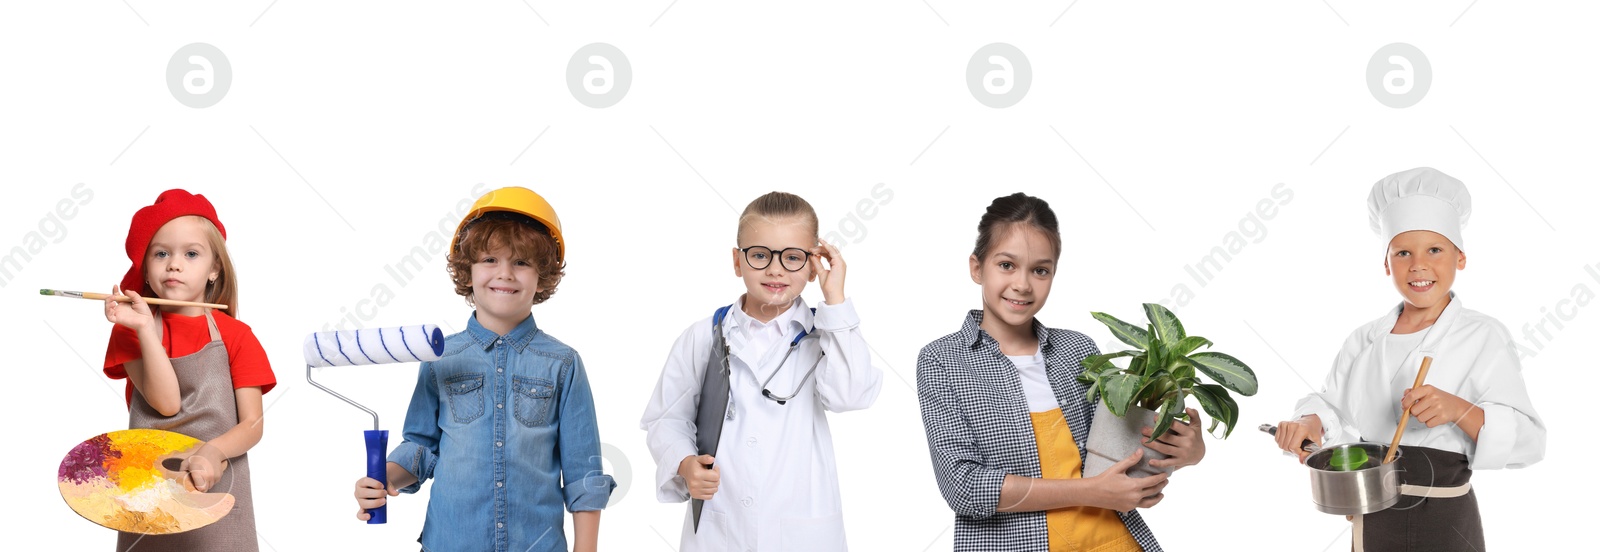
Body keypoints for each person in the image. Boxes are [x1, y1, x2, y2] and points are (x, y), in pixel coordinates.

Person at [1275, 167, 1546, 551]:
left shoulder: (1483, 336)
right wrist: (1310, 420)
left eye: (1435, 249)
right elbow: (1331, 407)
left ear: (1461, 257)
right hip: (1372, 515)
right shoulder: (1364, 340)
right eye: (1403, 253)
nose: (1418, 265)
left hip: (1446, 522)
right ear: (1387, 264)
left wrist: (1458, 410)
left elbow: (1530, 442)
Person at [917, 192, 1205, 552]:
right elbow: (964, 487)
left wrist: (1187, 453)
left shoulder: (1078, 350)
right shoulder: (942, 360)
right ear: (977, 268)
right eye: (1006, 265)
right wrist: (1091, 492)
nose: (1023, 284)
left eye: (1040, 270)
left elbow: (1124, 446)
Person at [353, 187, 614, 552]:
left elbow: (583, 474)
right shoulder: (438, 357)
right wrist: (383, 478)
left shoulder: (564, 364)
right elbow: (422, 447)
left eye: (521, 262)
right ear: (468, 270)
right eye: (490, 259)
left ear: (542, 275)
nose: (504, 274)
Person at [641, 191, 883, 551]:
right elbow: (666, 419)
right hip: (719, 525)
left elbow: (851, 396)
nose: (775, 269)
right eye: (759, 255)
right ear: (737, 262)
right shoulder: (702, 336)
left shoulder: (827, 335)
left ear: (814, 265)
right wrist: (685, 463)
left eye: (793, 257)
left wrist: (836, 300)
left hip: (803, 529)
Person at [102, 189, 276, 551]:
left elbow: (253, 424)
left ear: (215, 268)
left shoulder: (236, 336)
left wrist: (213, 452)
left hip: (217, 489)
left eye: (191, 253)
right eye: (161, 253)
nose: (174, 264)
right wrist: (147, 332)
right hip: (150, 494)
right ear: (145, 271)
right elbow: (166, 404)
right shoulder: (131, 330)